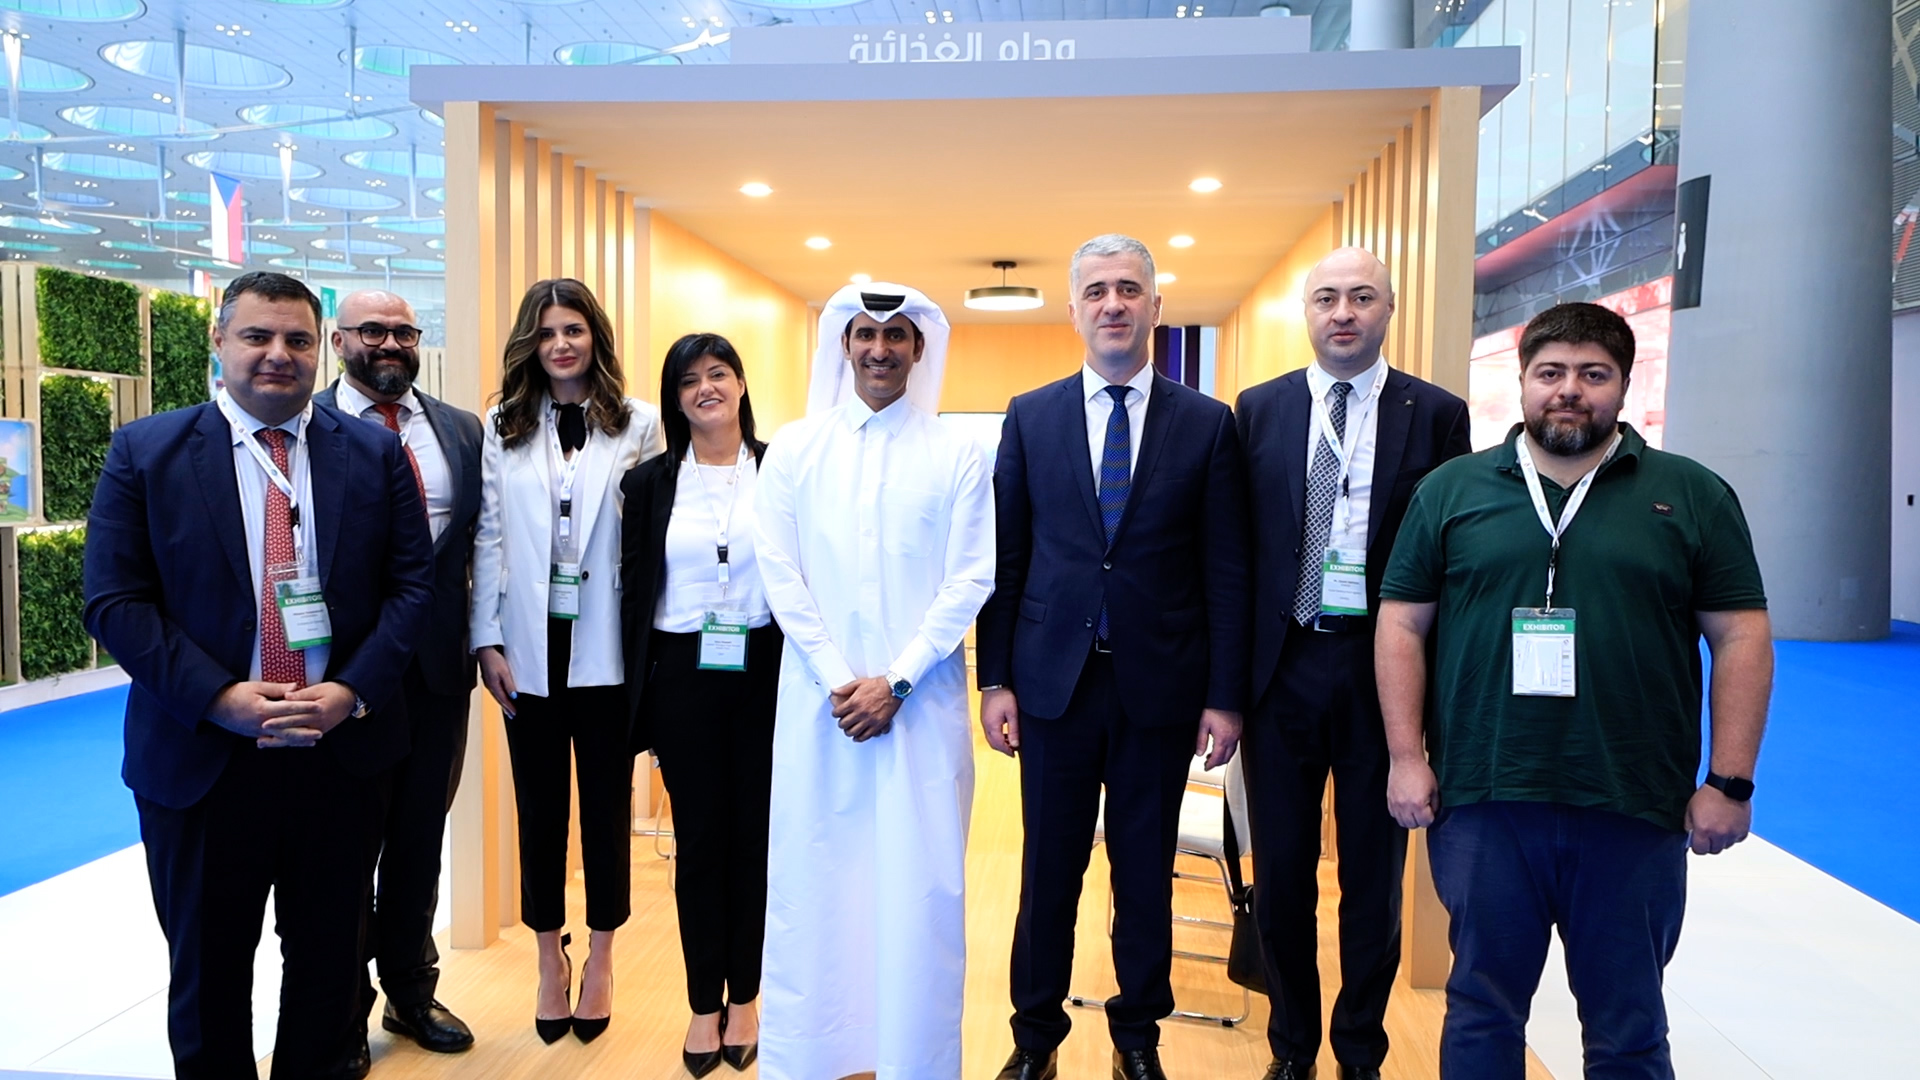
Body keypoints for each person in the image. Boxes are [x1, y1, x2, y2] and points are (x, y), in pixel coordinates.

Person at [1376, 301, 1773, 1079]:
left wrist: (1730, 782)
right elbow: (1401, 625)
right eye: (1550, 372)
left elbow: (1742, 637)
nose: (1569, 390)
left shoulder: (1691, 494)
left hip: (1633, 803)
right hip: (1486, 798)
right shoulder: (1452, 491)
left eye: (1594, 374)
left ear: (1623, 385)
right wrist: (1405, 757)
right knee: (1482, 1011)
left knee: (1628, 1026)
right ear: (1522, 382)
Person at [82, 270, 433, 1079]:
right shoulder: (147, 452)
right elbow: (114, 600)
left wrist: (352, 691)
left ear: (321, 350)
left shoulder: (374, 453)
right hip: (204, 762)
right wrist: (218, 697)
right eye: (257, 336)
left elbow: (414, 588)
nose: (278, 353)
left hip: (339, 758)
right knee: (208, 979)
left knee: (329, 976)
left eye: (297, 339)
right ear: (219, 341)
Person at [977, 234, 1250, 1080]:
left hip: (1158, 691)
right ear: (1074, 310)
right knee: (1047, 875)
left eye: (1129, 288)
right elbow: (1006, 558)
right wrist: (995, 677)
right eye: (1097, 290)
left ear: (1156, 307)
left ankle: (1137, 1039)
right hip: (1052, 687)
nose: (1113, 304)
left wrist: (1225, 695)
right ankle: (1034, 1040)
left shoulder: (1206, 424)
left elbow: (1225, 569)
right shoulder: (1031, 415)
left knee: (1144, 877)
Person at [1232, 248, 1471, 1080]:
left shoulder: (1435, 414)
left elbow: (1451, 558)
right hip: (1282, 667)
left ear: (1388, 310)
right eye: (1327, 298)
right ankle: (1291, 1046)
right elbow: (1237, 550)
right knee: (1283, 874)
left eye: (1362, 297)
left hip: (1385, 673)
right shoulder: (1258, 409)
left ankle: (1360, 1051)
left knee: (1374, 877)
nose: (1343, 312)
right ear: (1307, 312)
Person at [752, 283, 995, 1080]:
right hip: (818, 709)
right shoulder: (795, 448)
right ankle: (817, 1057)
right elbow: (780, 574)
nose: (880, 349)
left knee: (918, 893)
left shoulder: (957, 452)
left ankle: (912, 1060)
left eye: (896, 336)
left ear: (919, 349)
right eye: (866, 334)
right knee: (817, 881)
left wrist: (896, 681)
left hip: (918, 712)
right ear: (845, 344)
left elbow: (970, 578)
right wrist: (839, 678)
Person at [469, 277, 663, 1044]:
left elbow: (652, 541)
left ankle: (604, 956)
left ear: (595, 338)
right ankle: (549, 958)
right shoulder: (504, 424)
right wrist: (485, 639)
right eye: (546, 332)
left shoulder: (639, 421)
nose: (560, 344)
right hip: (527, 644)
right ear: (530, 342)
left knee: (607, 809)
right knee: (540, 808)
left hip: (607, 642)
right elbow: (488, 534)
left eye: (573, 329)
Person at [312, 289, 484, 1055]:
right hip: (347, 675)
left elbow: (479, 548)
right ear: (338, 340)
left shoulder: (460, 430)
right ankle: (344, 1008)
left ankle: (411, 993)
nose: (389, 343)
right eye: (371, 330)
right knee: (346, 846)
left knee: (420, 839)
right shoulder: (306, 424)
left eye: (403, 332)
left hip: (438, 670)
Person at [620, 333, 782, 1077]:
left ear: (741, 384)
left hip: (765, 669)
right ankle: (700, 1002)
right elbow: (631, 590)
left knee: (753, 839)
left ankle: (745, 997)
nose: (706, 388)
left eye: (719, 373)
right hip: (683, 671)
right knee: (700, 840)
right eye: (689, 381)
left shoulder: (781, 469)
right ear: (675, 398)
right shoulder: (649, 482)